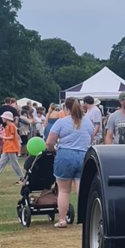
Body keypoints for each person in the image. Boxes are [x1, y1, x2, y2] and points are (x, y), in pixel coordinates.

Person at [46, 97, 93, 228]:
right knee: (82, 190)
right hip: (83, 155)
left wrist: (51, 150)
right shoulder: (88, 122)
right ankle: (86, 219)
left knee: (64, 191)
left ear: (66, 108)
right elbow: (90, 138)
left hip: (65, 155)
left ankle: (62, 219)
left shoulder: (61, 122)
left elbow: (50, 142)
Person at [0, 111, 24, 184]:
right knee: (1, 163)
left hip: (11, 147)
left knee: (14, 163)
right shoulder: (8, 126)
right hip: (7, 147)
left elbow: (11, 137)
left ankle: (22, 178)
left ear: (6, 118)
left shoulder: (11, 126)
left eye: (3, 117)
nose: (2, 118)